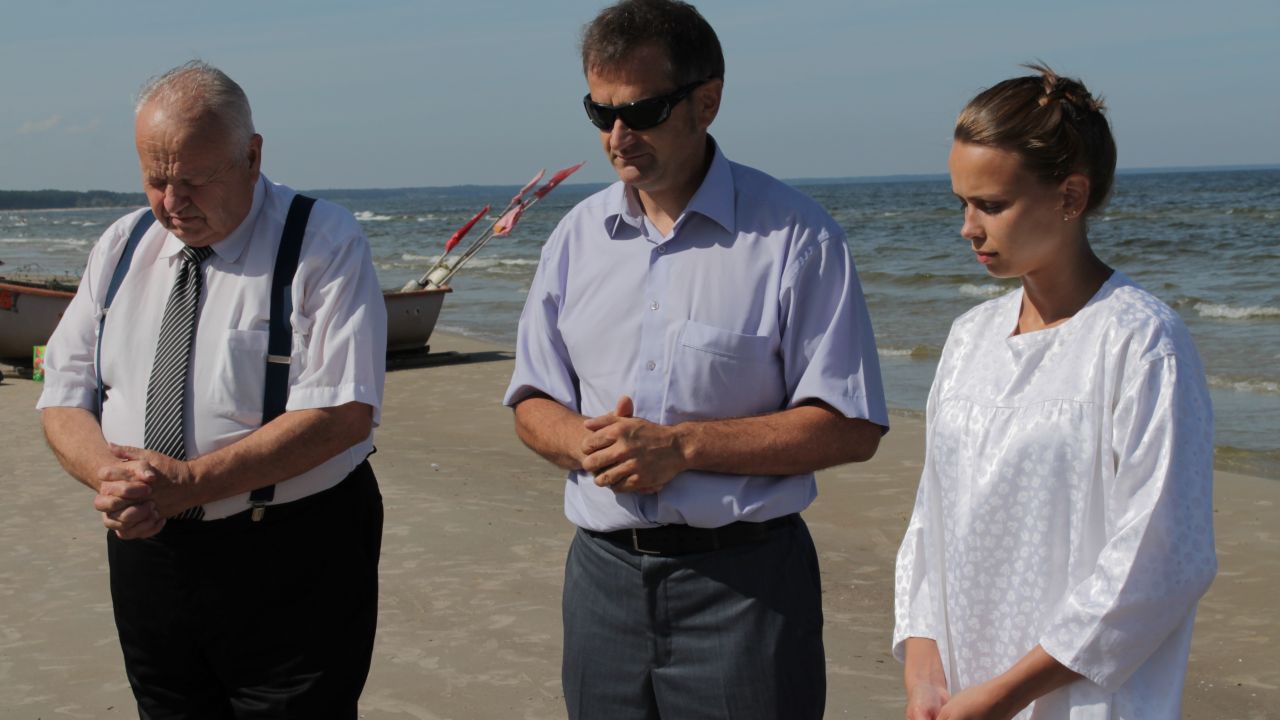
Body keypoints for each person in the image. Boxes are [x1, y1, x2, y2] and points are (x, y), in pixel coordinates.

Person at [503, 1, 889, 717]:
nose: (617, 136)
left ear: (706, 102)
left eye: (641, 111)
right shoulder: (574, 239)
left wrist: (680, 448)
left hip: (746, 587)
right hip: (600, 581)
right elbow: (532, 399)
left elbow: (850, 425)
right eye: (599, 112)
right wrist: (587, 444)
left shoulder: (797, 238)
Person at [37, 61, 387, 718]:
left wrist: (193, 483)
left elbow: (343, 411)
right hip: (150, 553)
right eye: (155, 180)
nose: (172, 202)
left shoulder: (322, 241)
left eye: (194, 180)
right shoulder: (122, 245)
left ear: (252, 156)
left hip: (292, 556)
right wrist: (115, 481)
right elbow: (62, 392)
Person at [892, 64, 1218, 720]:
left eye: (991, 205)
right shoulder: (969, 338)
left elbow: (1159, 557)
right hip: (962, 696)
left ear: (1070, 196)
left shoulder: (1139, 340)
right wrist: (924, 666)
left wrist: (1009, 692)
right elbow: (933, 520)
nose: (968, 227)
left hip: (1084, 702)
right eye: (962, 203)